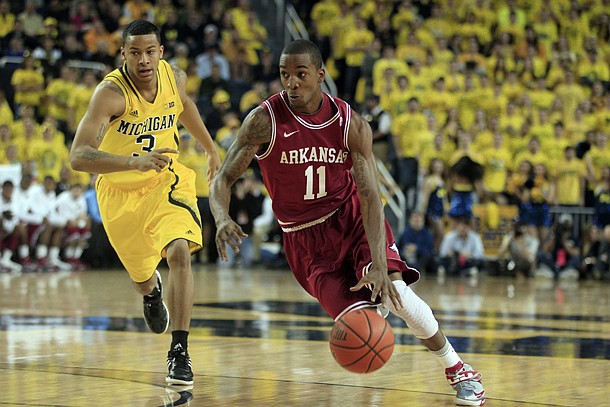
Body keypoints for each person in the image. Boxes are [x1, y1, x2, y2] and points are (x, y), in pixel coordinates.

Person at [209, 39, 485, 406]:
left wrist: (381, 264)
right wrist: (221, 217)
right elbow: (223, 179)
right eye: (284, 75)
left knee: (398, 294)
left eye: (300, 75)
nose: (291, 83)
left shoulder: (349, 124)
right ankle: (376, 303)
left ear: (320, 75)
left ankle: (458, 369)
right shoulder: (263, 120)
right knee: (362, 327)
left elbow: (371, 196)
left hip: (351, 219)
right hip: (305, 242)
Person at [69, 20, 221, 386]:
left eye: (150, 51)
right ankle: (152, 294)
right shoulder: (110, 93)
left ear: (161, 53)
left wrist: (210, 147)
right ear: (123, 54)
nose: (143, 60)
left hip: (164, 181)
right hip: (119, 192)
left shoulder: (174, 77)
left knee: (181, 252)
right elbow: (78, 157)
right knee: (141, 278)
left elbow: (183, 105)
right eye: (135, 52)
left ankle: (180, 351)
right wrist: (130, 162)